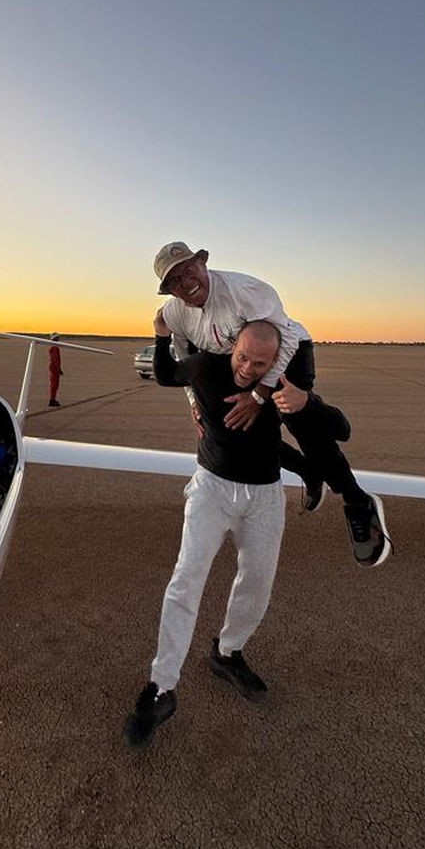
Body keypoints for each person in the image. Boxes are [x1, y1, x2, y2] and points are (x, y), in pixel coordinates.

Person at [152, 241, 391, 568]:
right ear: (169, 290)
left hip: (287, 352)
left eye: (189, 270)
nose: (186, 282)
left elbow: (287, 338)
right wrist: (195, 402)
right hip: (240, 362)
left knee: (297, 419)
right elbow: (184, 356)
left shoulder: (246, 291)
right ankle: (308, 471)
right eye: (175, 280)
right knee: (244, 431)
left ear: (202, 263)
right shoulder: (173, 314)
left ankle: (357, 500)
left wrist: (259, 396)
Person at [124, 318, 289, 748]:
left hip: (265, 496)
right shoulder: (205, 368)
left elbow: (309, 427)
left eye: (260, 363)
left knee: (258, 581)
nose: (248, 367)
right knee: (186, 579)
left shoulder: (282, 387)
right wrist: (161, 334)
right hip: (211, 488)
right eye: (242, 356)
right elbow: (166, 373)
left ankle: (228, 652)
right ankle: (161, 686)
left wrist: (325, 476)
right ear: (233, 346)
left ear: (276, 362)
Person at [48, 332, 63, 408]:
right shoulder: (55, 348)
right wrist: (59, 369)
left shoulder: (53, 347)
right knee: (54, 384)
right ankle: (52, 399)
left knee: (54, 383)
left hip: (53, 367)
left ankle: (53, 398)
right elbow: (56, 359)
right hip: (54, 367)